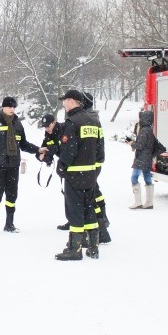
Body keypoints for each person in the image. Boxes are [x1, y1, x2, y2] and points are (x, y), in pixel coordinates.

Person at [0, 96, 41, 234]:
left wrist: (37, 149)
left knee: (12, 196)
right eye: (10, 107)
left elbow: (23, 144)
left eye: (14, 107)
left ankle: (9, 224)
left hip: (13, 166)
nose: (12, 109)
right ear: (3, 107)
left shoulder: (18, 125)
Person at [55, 89, 103, 261]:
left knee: (75, 210)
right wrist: (95, 169)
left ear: (72, 101)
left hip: (74, 175)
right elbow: (100, 148)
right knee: (89, 209)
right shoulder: (93, 121)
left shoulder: (72, 122)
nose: (63, 104)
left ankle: (75, 249)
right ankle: (93, 246)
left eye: (65, 101)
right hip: (90, 174)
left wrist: (61, 166)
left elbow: (69, 149)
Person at [83, 93, 111, 243]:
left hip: (90, 164)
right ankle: (102, 221)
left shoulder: (88, 119)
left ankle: (100, 226)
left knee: (90, 196)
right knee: (94, 193)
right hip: (94, 162)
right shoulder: (93, 118)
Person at [128, 109, 157, 210]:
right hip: (148, 157)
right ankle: (149, 202)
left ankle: (138, 201)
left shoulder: (144, 131)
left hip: (141, 158)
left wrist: (132, 143)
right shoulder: (150, 130)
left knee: (134, 178)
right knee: (147, 177)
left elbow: (140, 146)